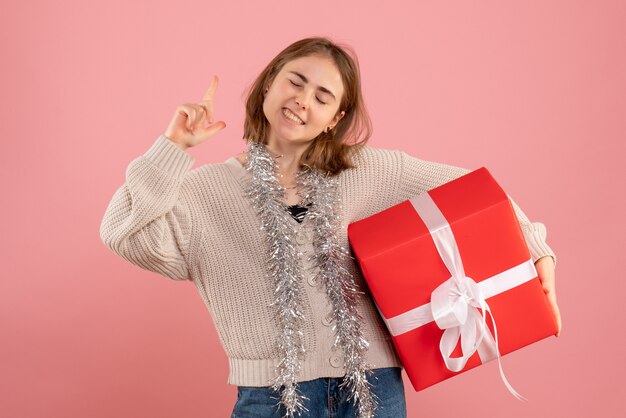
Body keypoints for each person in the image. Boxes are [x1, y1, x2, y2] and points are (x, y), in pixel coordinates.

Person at [99, 37, 561, 418]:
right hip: (271, 399)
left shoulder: (370, 171)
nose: (303, 100)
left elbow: (475, 191)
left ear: (334, 119)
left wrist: (536, 247)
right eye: (295, 82)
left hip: (374, 392)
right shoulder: (204, 193)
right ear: (267, 87)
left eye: (323, 97)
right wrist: (173, 147)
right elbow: (123, 232)